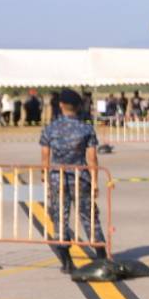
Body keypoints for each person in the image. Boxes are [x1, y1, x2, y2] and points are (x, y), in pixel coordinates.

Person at [39, 88, 106, 276]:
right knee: (89, 216)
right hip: (80, 176)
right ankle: (101, 258)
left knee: (60, 217)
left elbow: (45, 156)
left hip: (57, 177)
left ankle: (67, 262)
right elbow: (92, 158)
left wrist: (45, 177)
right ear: (77, 107)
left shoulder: (50, 128)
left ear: (61, 105)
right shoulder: (86, 129)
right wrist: (94, 182)